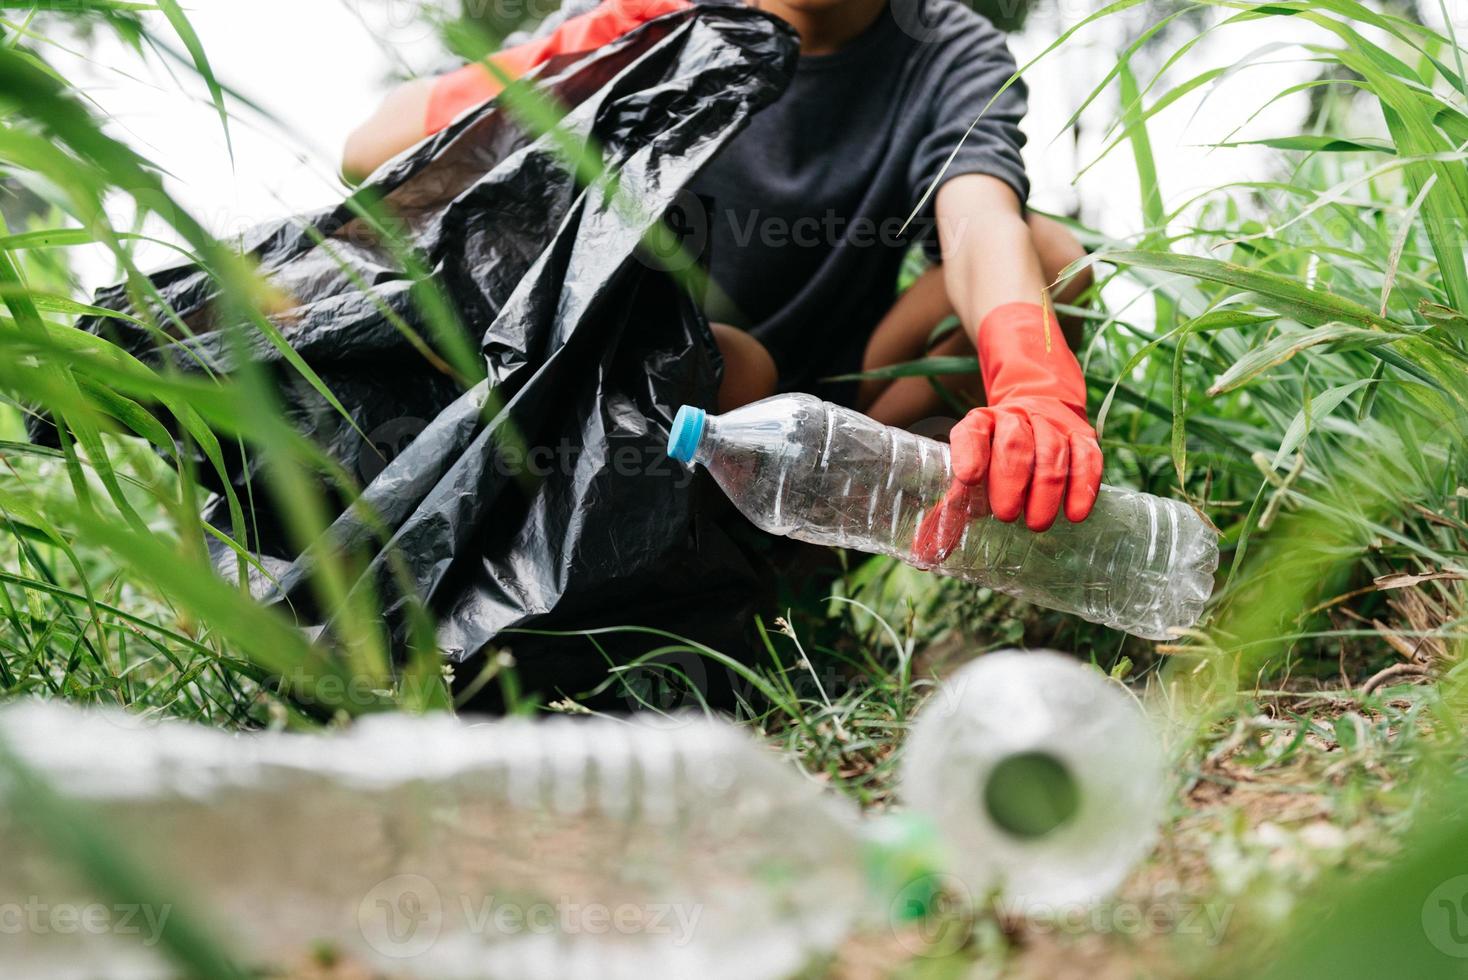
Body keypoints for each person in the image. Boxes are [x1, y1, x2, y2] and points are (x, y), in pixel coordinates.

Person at [342, 0, 1101, 536]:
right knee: (740, 368)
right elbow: (370, 154)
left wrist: (1031, 380)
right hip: (673, 373)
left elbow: (980, 219)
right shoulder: (663, 12)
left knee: (1056, 261)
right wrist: (602, 45)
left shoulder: (944, 45)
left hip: (847, 395)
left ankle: (835, 522)